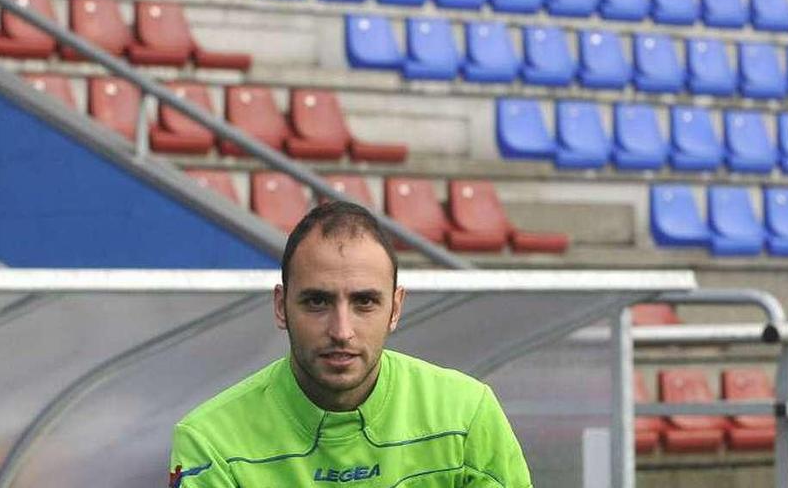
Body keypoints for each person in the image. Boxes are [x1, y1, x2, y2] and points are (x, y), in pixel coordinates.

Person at [169, 201, 532, 487]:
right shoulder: (209, 440)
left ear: (395, 307)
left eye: (364, 302)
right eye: (317, 301)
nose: (342, 330)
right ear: (281, 307)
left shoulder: (467, 415)